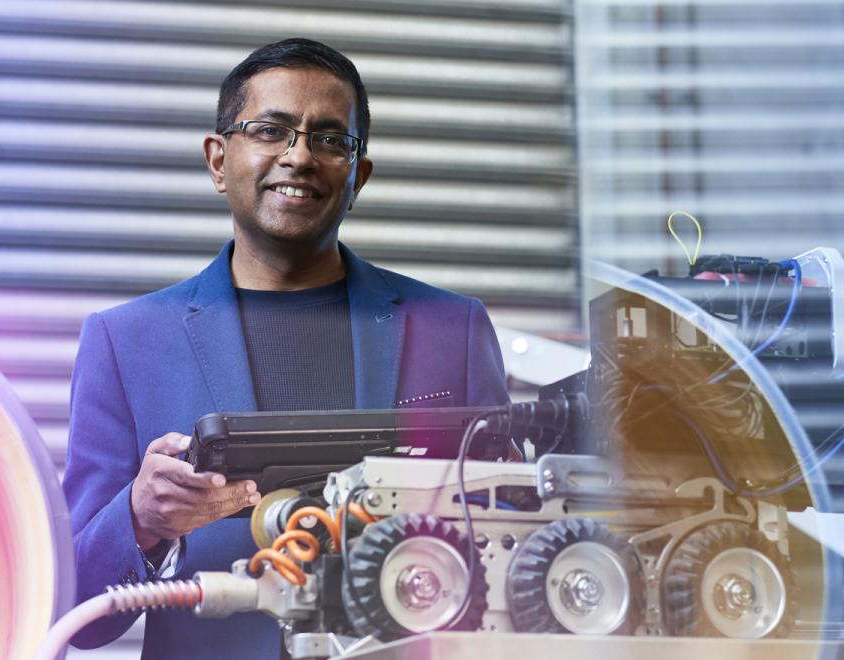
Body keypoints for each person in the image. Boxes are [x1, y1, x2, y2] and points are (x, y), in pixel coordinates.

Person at [61, 38, 510, 658]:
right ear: (218, 160)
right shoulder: (126, 341)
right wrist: (142, 519)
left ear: (360, 176)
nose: (299, 156)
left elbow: (511, 542)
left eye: (330, 139)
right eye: (270, 130)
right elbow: (73, 612)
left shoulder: (451, 329)